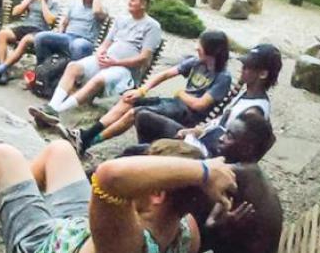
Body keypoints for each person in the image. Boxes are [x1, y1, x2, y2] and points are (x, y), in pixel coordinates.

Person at [0, 139, 236, 253]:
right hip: (76, 230)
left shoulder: (126, 242)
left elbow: (109, 176)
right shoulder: (187, 231)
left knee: (5, 155)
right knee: (59, 150)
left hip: (42, 243)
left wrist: (204, 171)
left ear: (156, 193)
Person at [58, 30, 233, 155]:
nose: (197, 48)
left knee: (135, 113)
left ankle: (88, 141)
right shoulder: (197, 62)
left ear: (213, 51)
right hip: (174, 105)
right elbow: (164, 74)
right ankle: (85, 135)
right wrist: (141, 90)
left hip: (187, 116)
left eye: (200, 46)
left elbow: (199, 104)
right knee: (128, 100)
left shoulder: (223, 77)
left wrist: (180, 93)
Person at [28, 0, 162, 126]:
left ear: (143, 4)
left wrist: (116, 62)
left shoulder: (152, 26)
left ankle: (56, 111)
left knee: (98, 79)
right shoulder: (121, 20)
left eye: (133, 0)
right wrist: (100, 54)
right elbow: (105, 44)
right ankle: (52, 106)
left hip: (125, 70)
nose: (129, 2)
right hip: (106, 61)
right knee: (73, 67)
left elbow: (144, 58)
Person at [135, 43, 282, 154]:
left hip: (204, 153)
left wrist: (193, 139)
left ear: (262, 74)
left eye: (248, 67)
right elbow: (219, 123)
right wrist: (193, 131)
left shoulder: (254, 112)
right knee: (143, 117)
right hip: (198, 139)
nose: (242, 69)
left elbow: (230, 150)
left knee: (137, 150)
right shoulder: (247, 95)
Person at [202, 111, 281, 253]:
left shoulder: (236, 173)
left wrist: (213, 224)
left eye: (229, 136)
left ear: (247, 149)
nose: (220, 138)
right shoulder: (252, 172)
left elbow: (210, 227)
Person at [0, 0, 60, 84]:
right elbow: (15, 12)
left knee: (25, 40)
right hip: (25, 26)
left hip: (40, 31)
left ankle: (1, 69)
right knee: (2, 34)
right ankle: (3, 69)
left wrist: (43, 2)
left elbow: (50, 21)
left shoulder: (53, 3)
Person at [31, 0, 106, 64]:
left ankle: (69, 74)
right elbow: (64, 23)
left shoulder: (101, 9)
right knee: (40, 37)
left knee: (78, 46)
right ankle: (44, 68)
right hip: (67, 37)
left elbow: (96, 11)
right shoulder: (75, 5)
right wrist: (60, 33)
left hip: (84, 40)